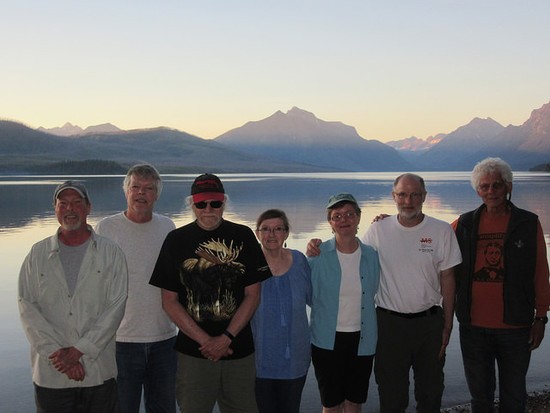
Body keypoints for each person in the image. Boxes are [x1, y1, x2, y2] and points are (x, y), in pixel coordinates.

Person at [307, 174, 462, 413]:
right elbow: (348, 246)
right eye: (402, 194)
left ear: (424, 196)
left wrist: (448, 323)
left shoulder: (441, 230)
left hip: (430, 323)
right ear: (394, 197)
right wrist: (316, 245)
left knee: (430, 392)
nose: (408, 200)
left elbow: (448, 277)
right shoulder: (378, 230)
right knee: (391, 394)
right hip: (389, 325)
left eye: (414, 194)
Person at [149, 173, 272, 413]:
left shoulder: (243, 236)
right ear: (192, 204)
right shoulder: (176, 240)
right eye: (201, 203)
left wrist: (226, 338)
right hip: (193, 354)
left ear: (223, 203)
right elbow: (169, 301)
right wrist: (206, 342)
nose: (208, 209)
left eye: (215, 203)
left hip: (238, 350)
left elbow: (253, 295)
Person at [18, 180, 128, 413]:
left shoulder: (111, 252)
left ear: (88, 207)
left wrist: (79, 351)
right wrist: (58, 356)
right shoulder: (37, 254)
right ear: (55, 209)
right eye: (63, 203)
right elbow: (27, 309)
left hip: (99, 372)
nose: (70, 209)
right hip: (51, 374)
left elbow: (115, 308)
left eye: (77, 203)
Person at [453, 157, 550, 412]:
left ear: (508, 186)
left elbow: (541, 271)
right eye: (485, 186)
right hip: (472, 326)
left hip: (515, 326)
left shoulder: (528, 223)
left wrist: (541, 318)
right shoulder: (464, 223)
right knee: (480, 397)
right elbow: (430, 240)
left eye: (497, 185)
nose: (491, 191)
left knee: (514, 395)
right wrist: (391, 222)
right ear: (477, 190)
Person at [95, 164, 177, 413]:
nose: (141, 193)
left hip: (164, 338)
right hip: (121, 339)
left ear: (157, 194)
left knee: (163, 408)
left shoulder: (168, 227)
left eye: (148, 188)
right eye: (136, 187)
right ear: (126, 191)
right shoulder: (106, 228)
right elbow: (96, 283)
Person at [308, 193, 380, 413]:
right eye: (337, 216)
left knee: (354, 401)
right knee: (331, 403)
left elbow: (375, 291)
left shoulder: (371, 255)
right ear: (330, 223)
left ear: (358, 218)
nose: (344, 220)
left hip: (363, 338)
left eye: (349, 214)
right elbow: (308, 296)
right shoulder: (317, 256)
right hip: (326, 340)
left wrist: (386, 220)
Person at [251, 209, 312, 413]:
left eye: (278, 229)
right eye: (265, 229)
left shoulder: (300, 261)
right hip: (258, 361)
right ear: (257, 233)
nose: (271, 234)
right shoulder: (248, 265)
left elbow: (315, 299)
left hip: (295, 358)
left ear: (286, 233)